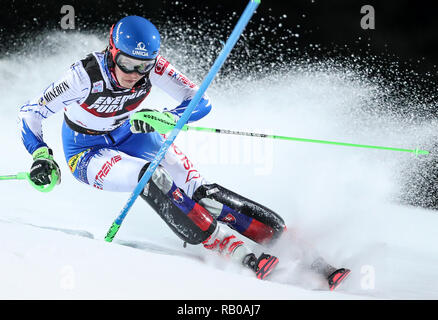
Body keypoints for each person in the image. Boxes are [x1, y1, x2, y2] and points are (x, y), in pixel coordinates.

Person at [18, 15, 349, 287]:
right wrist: (41, 155)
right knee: (149, 177)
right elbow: (31, 112)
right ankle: (223, 244)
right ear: (112, 50)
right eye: (126, 63)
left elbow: (200, 101)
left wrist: (167, 117)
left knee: (200, 191)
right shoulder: (82, 77)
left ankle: (303, 253)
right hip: (86, 151)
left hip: (130, 133)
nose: (134, 74)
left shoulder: (154, 67)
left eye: (142, 66)